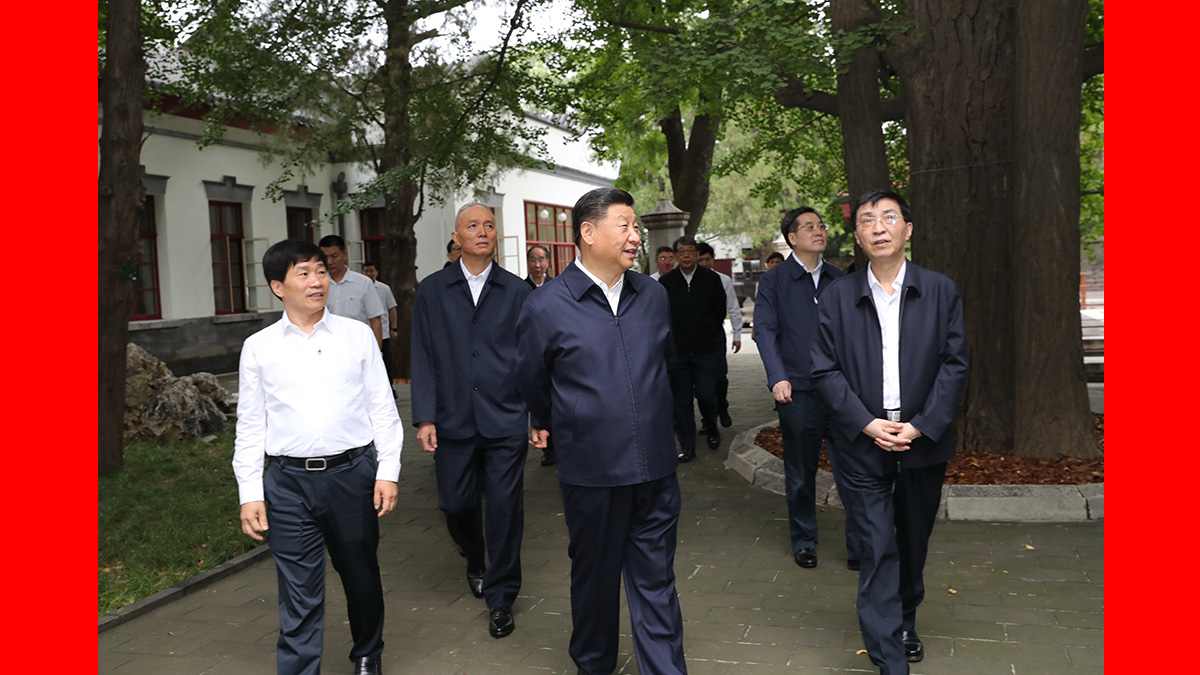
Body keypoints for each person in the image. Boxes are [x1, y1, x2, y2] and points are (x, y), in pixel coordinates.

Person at [516, 187, 688, 675]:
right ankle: (594, 664)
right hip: (591, 470)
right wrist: (568, 421)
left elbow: (666, 367)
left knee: (656, 579)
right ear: (587, 233)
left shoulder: (652, 295)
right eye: (626, 225)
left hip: (655, 466)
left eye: (638, 227)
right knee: (595, 578)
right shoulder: (547, 304)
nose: (636, 236)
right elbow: (531, 380)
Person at [812, 190, 968, 674]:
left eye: (888, 217)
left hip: (923, 440)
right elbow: (824, 370)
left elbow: (955, 365)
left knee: (913, 540)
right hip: (860, 443)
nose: (878, 227)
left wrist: (921, 427)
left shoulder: (941, 290)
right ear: (857, 236)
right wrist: (866, 422)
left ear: (908, 229)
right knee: (876, 545)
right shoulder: (837, 295)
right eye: (866, 221)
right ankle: (889, 656)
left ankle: (905, 619)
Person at [233, 239, 402, 675]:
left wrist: (388, 471)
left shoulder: (356, 335)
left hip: (351, 475)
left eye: (320, 271)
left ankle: (367, 650)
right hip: (287, 484)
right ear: (278, 286)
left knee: (360, 573)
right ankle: (299, 667)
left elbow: (382, 408)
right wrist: (250, 492)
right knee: (298, 589)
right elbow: (251, 425)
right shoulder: (259, 347)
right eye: (303, 274)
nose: (316, 282)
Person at [410, 203, 533, 640]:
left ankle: (501, 598)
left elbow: (531, 358)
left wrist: (536, 413)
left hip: (505, 419)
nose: (482, 231)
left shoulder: (517, 290)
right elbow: (421, 355)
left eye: (488, 225)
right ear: (456, 237)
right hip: (452, 419)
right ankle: (474, 557)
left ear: (495, 236)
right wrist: (424, 417)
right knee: (455, 504)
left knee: (504, 509)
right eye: (472, 225)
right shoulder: (432, 290)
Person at [753, 207, 861, 571]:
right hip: (797, 390)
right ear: (792, 238)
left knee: (852, 469)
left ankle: (859, 545)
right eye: (809, 226)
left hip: (842, 391)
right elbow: (765, 331)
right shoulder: (774, 281)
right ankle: (804, 541)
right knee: (800, 472)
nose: (819, 231)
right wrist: (777, 376)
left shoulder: (840, 280)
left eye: (821, 225)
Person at [659, 235, 727, 460]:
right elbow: (661, 316)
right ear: (676, 256)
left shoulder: (711, 279)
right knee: (682, 401)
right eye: (682, 252)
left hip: (705, 350)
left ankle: (712, 427)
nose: (686, 256)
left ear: (697, 255)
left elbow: (719, 312)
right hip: (677, 353)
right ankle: (688, 446)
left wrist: (709, 334)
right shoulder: (666, 283)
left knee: (707, 395)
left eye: (690, 251)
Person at [696, 241, 742, 429]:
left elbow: (732, 306)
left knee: (719, 376)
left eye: (707, 260)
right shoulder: (691, 282)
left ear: (713, 260)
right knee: (701, 382)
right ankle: (708, 420)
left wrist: (737, 334)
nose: (704, 263)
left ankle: (722, 407)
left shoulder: (723, 280)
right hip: (695, 338)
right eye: (701, 260)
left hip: (716, 335)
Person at [523, 244, 558, 466]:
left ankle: (555, 447)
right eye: (533, 260)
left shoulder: (557, 287)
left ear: (548, 262)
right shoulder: (520, 288)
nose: (537, 265)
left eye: (541, 260)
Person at [318, 235, 384, 349]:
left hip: (357, 345)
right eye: (325, 257)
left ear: (345, 254)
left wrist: (377, 352)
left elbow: (375, 319)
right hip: (326, 346)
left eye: (334, 256)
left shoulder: (363, 283)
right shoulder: (317, 284)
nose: (329, 261)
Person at [362, 261, 398, 388]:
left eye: (371, 271)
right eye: (366, 271)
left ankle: (389, 387)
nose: (369, 274)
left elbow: (392, 308)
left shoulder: (384, 288)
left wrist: (394, 328)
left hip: (383, 333)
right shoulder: (360, 287)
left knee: (385, 362)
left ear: (376, 272)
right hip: (365, 333)